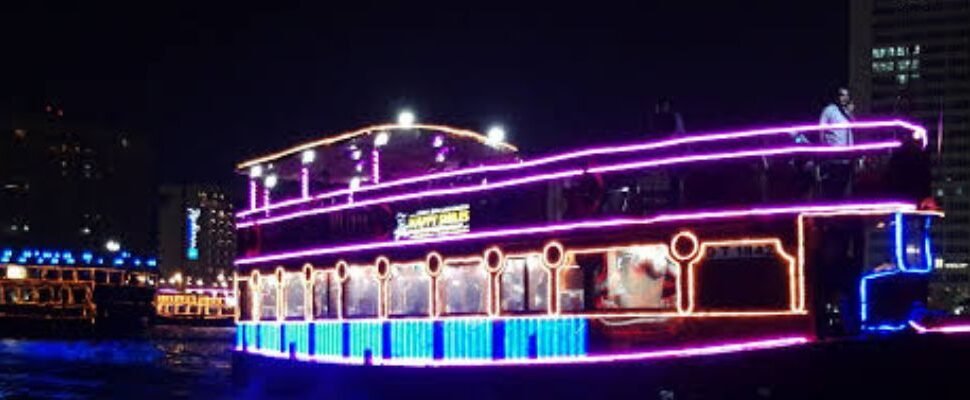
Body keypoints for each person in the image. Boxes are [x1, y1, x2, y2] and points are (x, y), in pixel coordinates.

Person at [818, 87, 856, 198]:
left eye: (847, 95)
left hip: (848, 157)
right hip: (834, 156)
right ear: (836, 96)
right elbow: (821, 130)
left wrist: (850, 113)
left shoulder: (846, 111)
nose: (845, 98)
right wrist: (825, 150)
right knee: (833, 188)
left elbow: (855, 126)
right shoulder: (829, 110)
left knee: (844, 188)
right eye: (842, 95)